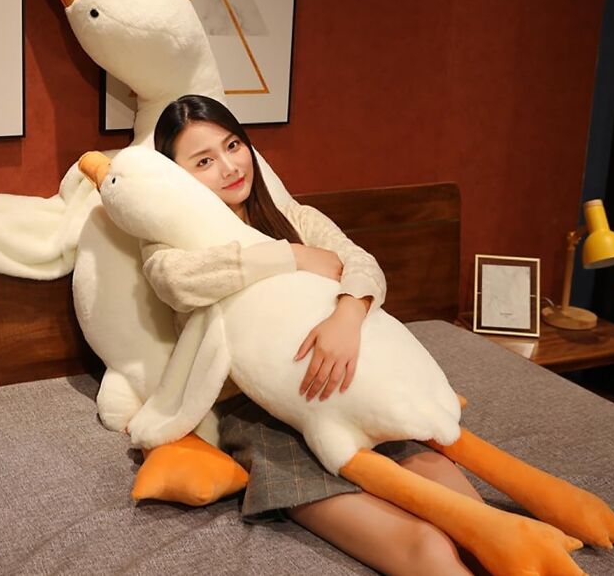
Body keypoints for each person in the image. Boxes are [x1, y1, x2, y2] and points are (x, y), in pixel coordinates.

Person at [142, 94, 485, 576]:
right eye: (204, 160)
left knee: (474, 523)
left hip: (345, 383)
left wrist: (348, 314)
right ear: (176, 177)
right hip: (259, 414)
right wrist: (294, 258)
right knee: (424, 547)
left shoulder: (296, 218)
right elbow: (176, 281)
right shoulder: (173, 244)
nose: (229, 166)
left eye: (233, 145)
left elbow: (362, 263)